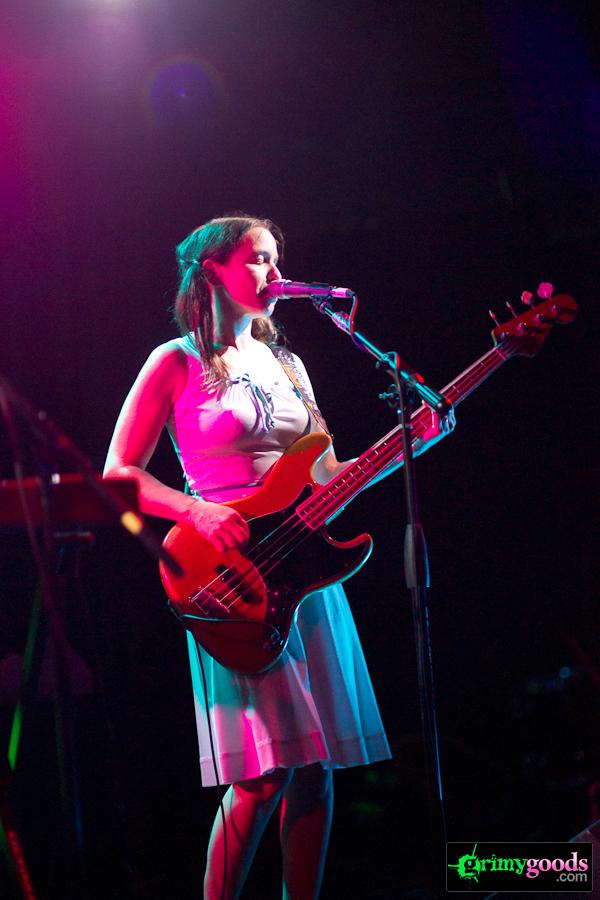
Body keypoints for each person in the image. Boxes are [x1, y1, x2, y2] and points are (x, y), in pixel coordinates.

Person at [104, 214, 453, 899]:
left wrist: (412, 443)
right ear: (212, 271)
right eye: (259, 259)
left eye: (275, 259)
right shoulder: (175, 360)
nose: (275, 273)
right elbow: (119, 474)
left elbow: (328, 477)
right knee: (262, 777)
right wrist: (198, 509)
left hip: (306, 571)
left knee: (315, 768)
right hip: (229, 571)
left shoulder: (289, 365)